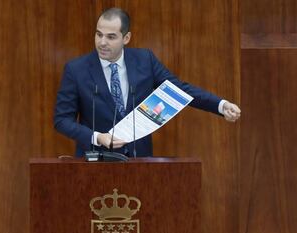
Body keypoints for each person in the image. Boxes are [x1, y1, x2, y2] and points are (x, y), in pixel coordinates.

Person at [54, 8, 241, 157]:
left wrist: (220, 105)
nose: (102, 42)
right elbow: (62, 120)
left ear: (126, 38)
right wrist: (97, 137)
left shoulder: (145, 60)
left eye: (111, 37)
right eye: (98, 34)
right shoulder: (76, 69)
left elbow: (179, 91)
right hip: (94, 161)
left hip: (139, 161)